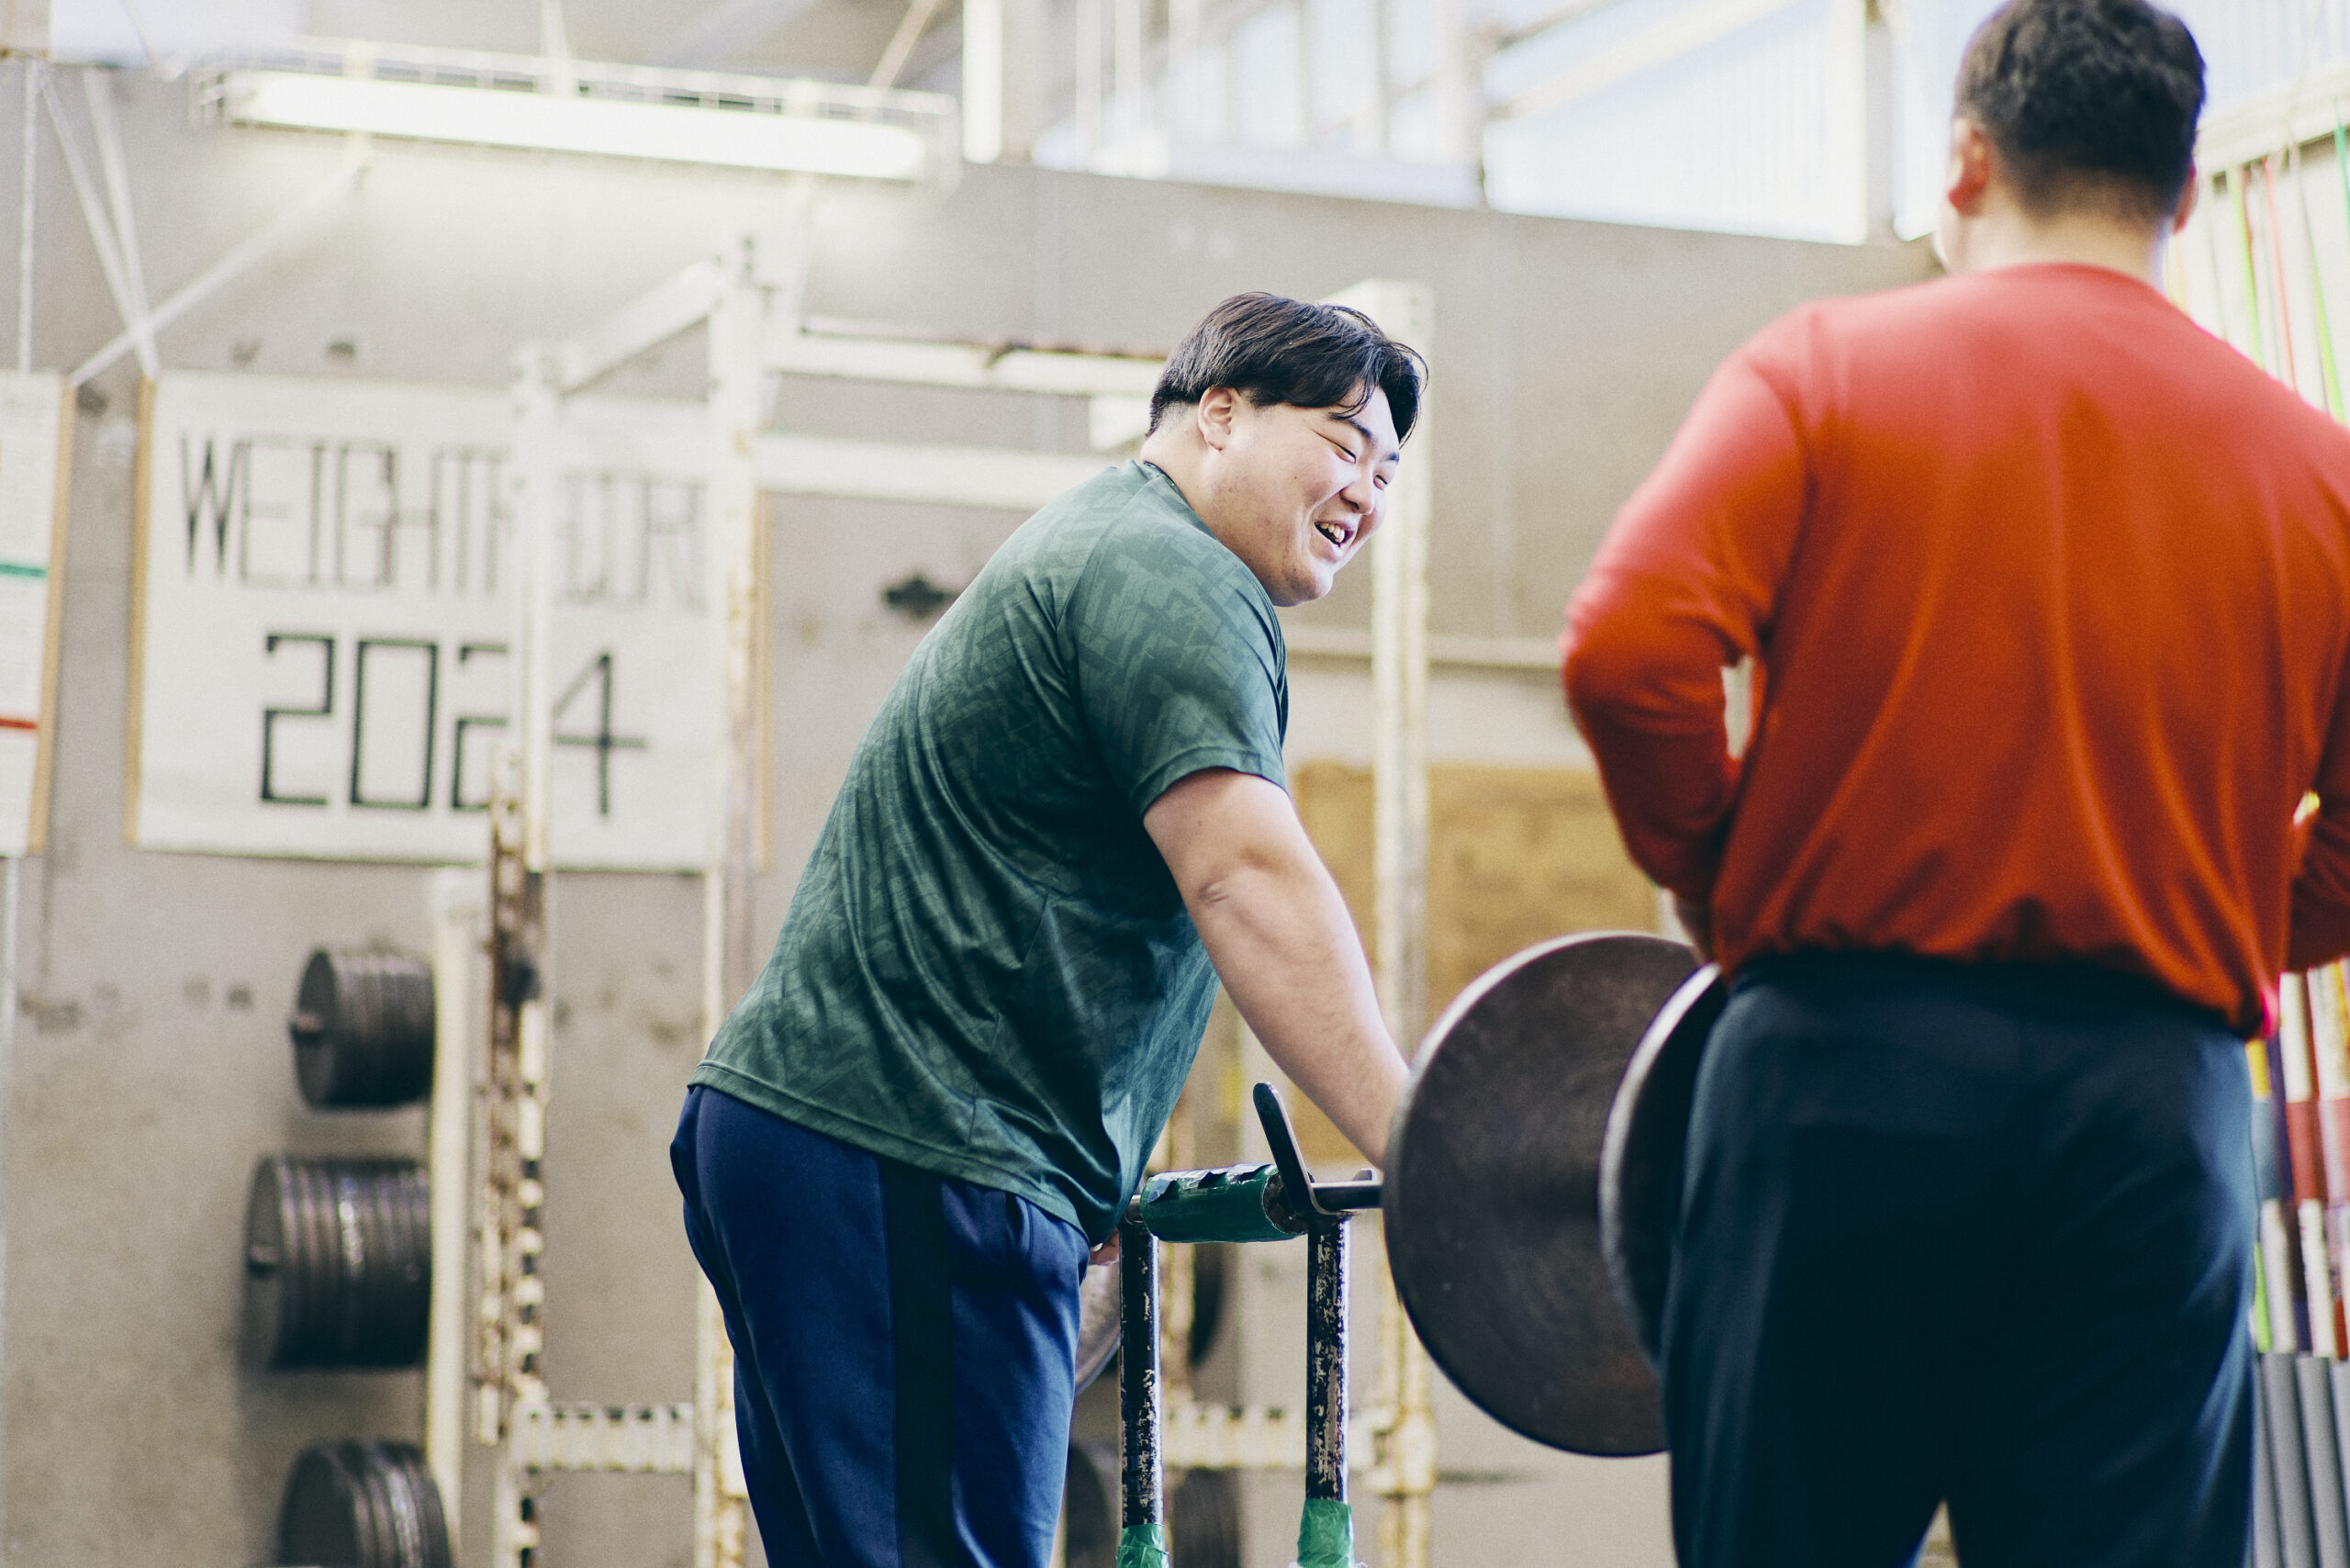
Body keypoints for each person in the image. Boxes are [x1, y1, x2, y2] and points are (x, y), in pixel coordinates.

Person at [1561, 2, 2350, 1563]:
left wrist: (1716, 872)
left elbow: (1626, 648)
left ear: (1966, 161)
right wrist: (2223, 922)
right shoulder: (2315, 468)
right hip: (2157, 1109)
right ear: (2184, 193)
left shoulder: (1823, 370)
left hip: (1839, 1076)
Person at [672, 293, 1421, 1568]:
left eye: (1389, 470)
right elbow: (1247, 879)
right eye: (1346, 443)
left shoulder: (1114, 551)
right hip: (910, 1145)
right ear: (1220, 415)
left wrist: (1079, 1206)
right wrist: (1430, 1145)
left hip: (845, 1144)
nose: (1368, 492)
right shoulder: (1176, 567)